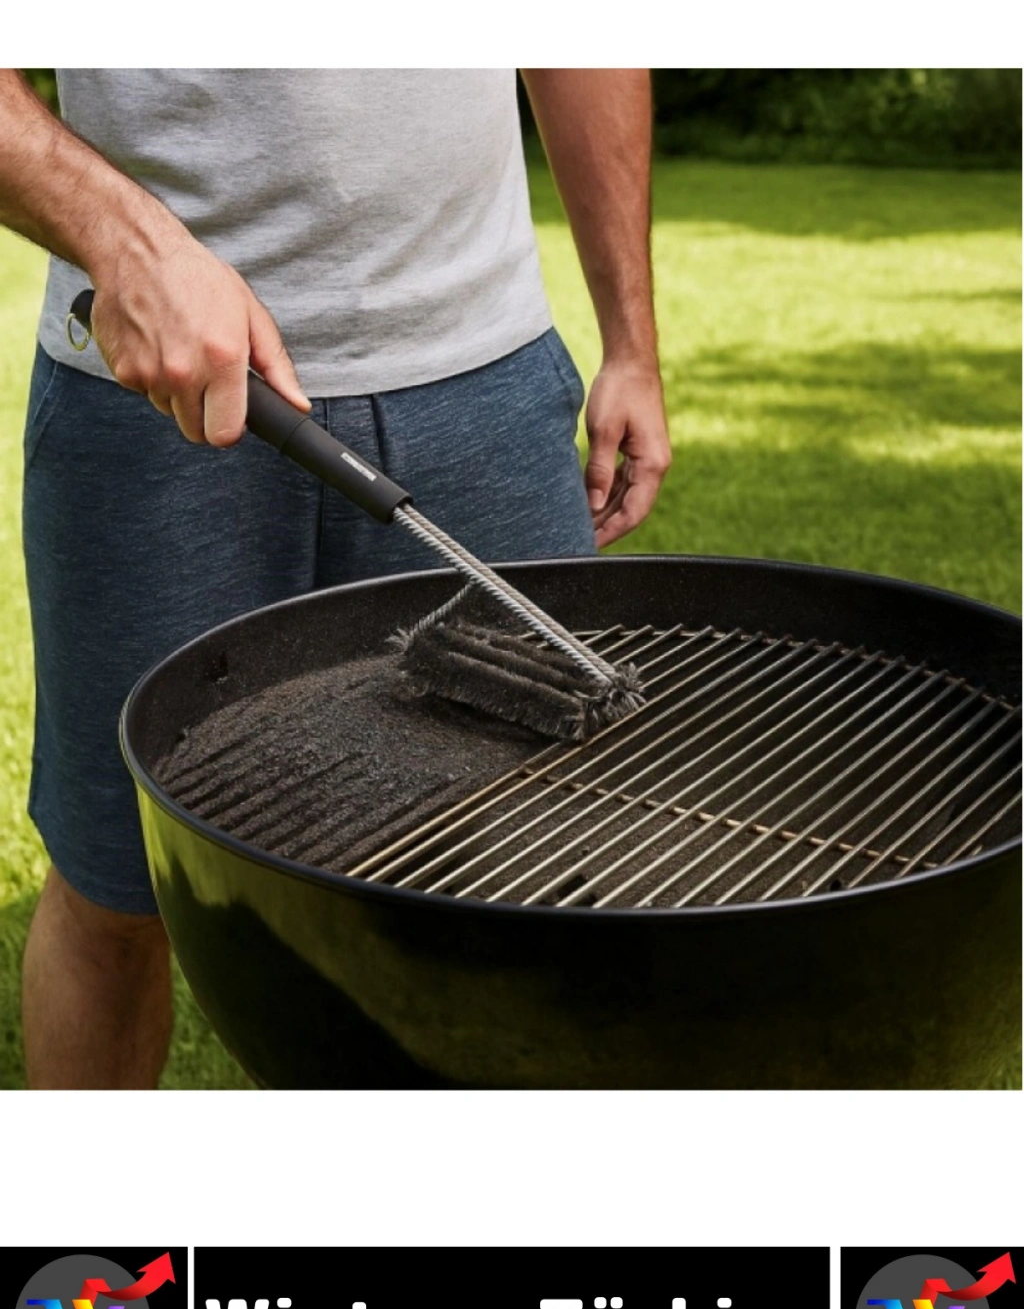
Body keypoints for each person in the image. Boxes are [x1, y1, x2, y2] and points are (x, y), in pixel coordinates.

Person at [0, 68, 670, 1089]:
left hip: (482, 378)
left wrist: (632, 341)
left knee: (531, 873)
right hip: (155, 396)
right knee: (121, 889)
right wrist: (126, 244)